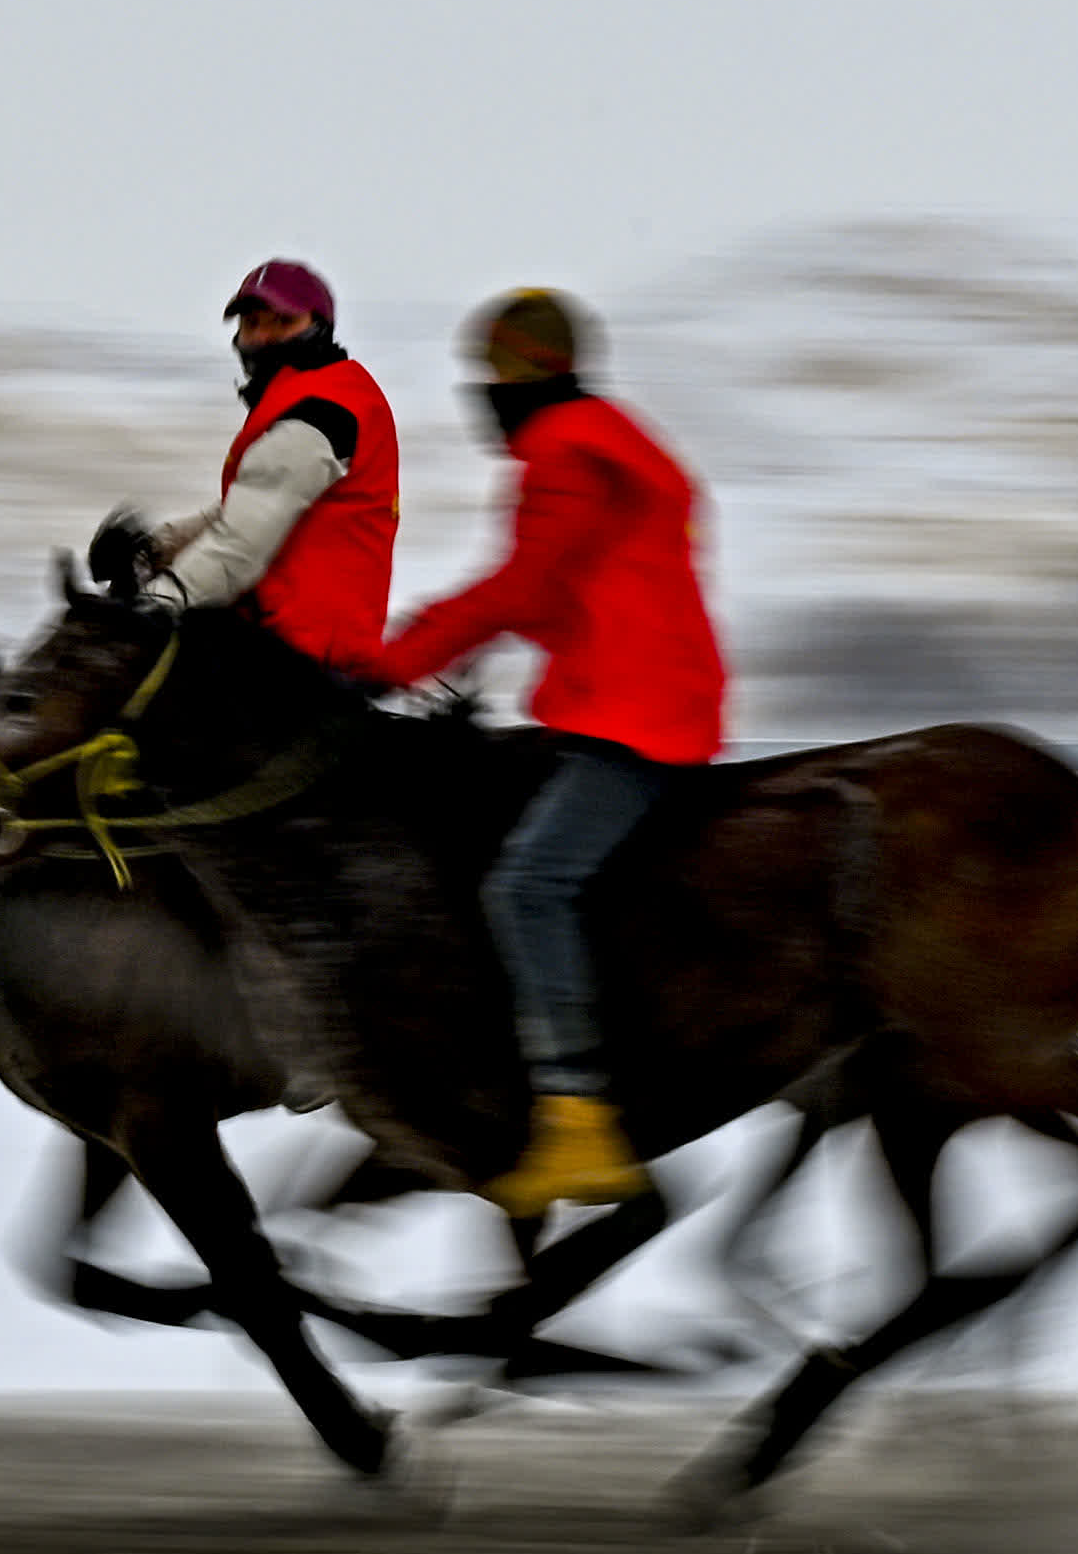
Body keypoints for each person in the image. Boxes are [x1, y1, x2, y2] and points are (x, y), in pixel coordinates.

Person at [364, 288, 727, 1219]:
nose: (480, 392)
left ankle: (578, 1120)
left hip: (634, 713)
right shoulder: (610, 433)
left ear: (527, 370)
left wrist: (391, 663)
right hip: (626, 696)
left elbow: (522, 586)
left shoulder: (563, 449)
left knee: (529, 885)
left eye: (491, 372)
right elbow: (568, 589)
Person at [133, 258, 405, 669]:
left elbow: (241, 545)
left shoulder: (319, 414)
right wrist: (155, 548)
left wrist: (150, 607)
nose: (263, 337)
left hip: (301, 664)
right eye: (252, 324)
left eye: (283, 322)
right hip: (280, 643)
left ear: (319, 326)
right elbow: (252, 511)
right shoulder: (324, 393)